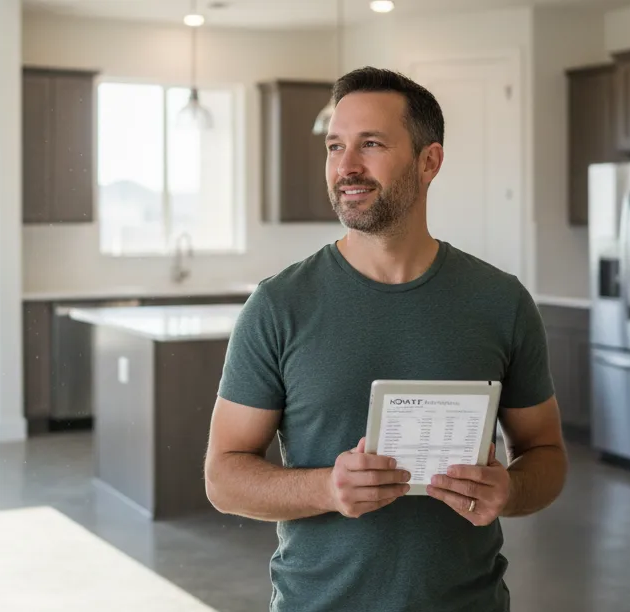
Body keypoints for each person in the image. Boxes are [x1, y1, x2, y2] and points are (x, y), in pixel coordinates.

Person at [203, 66, 568, 612]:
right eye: (334, 146)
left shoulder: (500, 301)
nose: (346, 166)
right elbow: (223, 476)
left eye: (370, 144)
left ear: (430, 161)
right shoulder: (279, 306)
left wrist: (509, 491)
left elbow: (547, 454)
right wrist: (327, 488)